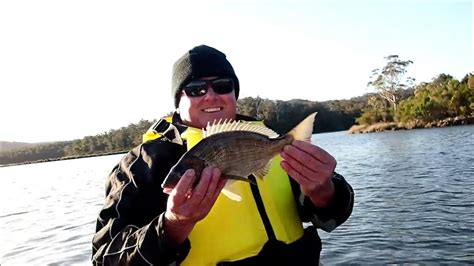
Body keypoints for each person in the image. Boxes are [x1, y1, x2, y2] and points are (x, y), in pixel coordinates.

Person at [92, 45, 354, 265]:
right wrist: (172, 225)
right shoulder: (141, 164)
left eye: (222, 85)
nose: (210, 95)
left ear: (234, 93)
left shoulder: (264, 139)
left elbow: (331, 219)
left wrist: (325, 192)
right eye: (195, 89)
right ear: (178, 100)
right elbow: (105, 257)